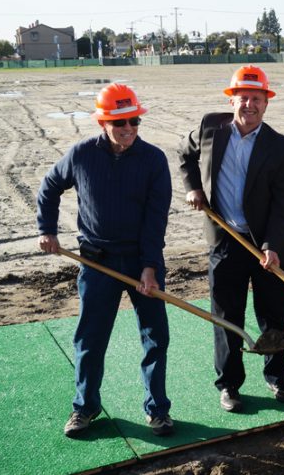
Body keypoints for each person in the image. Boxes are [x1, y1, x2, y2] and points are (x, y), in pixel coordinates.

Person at [36, 83, 174, 437]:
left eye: (134, 121)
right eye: (120, 122)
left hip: (142, 259)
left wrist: (149, 266)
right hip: (97, 263)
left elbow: (155, 218)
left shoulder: (154, 159)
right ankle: (85, 408)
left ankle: (157, 409)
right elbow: (49, 187)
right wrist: (47, 229)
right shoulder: (81, 155)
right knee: (90, 339)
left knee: (155, 337)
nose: (128, 129)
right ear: (102, 122)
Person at [179, 65, 284, 411]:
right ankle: (229, 384)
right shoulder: (209, 128)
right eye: (243, 97)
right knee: (227, 316)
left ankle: (277, 377)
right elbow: (184, 155)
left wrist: (273, 246)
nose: (249, 105)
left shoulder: (281, 148)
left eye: (256, 99)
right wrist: (194, 188)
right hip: (224, 239)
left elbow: (283, 204)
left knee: (273, 314)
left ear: (266, 102)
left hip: (265, 244)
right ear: (231, 99)